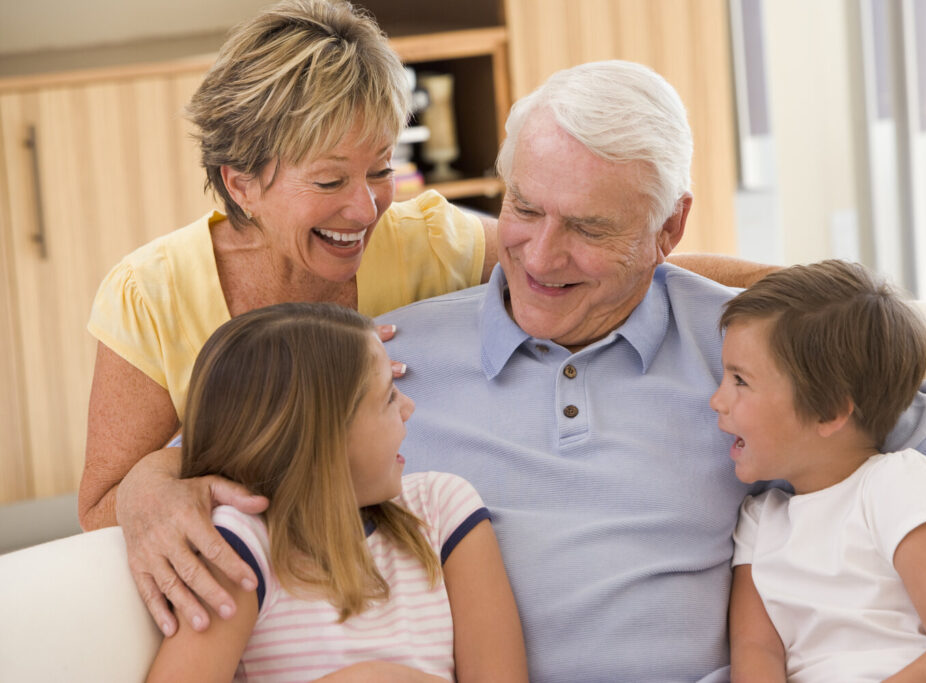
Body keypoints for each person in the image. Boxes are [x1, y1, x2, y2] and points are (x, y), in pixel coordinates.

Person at [107, 58, 926, 681]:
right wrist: (153, 476)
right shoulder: (380, 359)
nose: (540, 256)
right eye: (525, 209)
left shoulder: (757, 353)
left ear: (668, 230)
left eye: (588, 227)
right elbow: (229, 446)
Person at [80, 0, 768, 636]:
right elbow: (102, 499)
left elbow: (611, 257)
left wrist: (823, 295)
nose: (364, 210)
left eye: (380, 169)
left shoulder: (423, 242)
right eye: (329, 182)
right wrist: (154, 478)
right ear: (241, 183)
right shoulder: (153, 292)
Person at [145, 302, 527, 683]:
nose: (408, 407)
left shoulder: (442, 510)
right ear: (324, 439)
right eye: (389, 397)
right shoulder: (240, 548)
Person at [712, 260, 926, 682]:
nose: (717, 399)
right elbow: (756, 651)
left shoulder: (897, 483)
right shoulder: (758, 520)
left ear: (828, 412)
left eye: (740, 381)